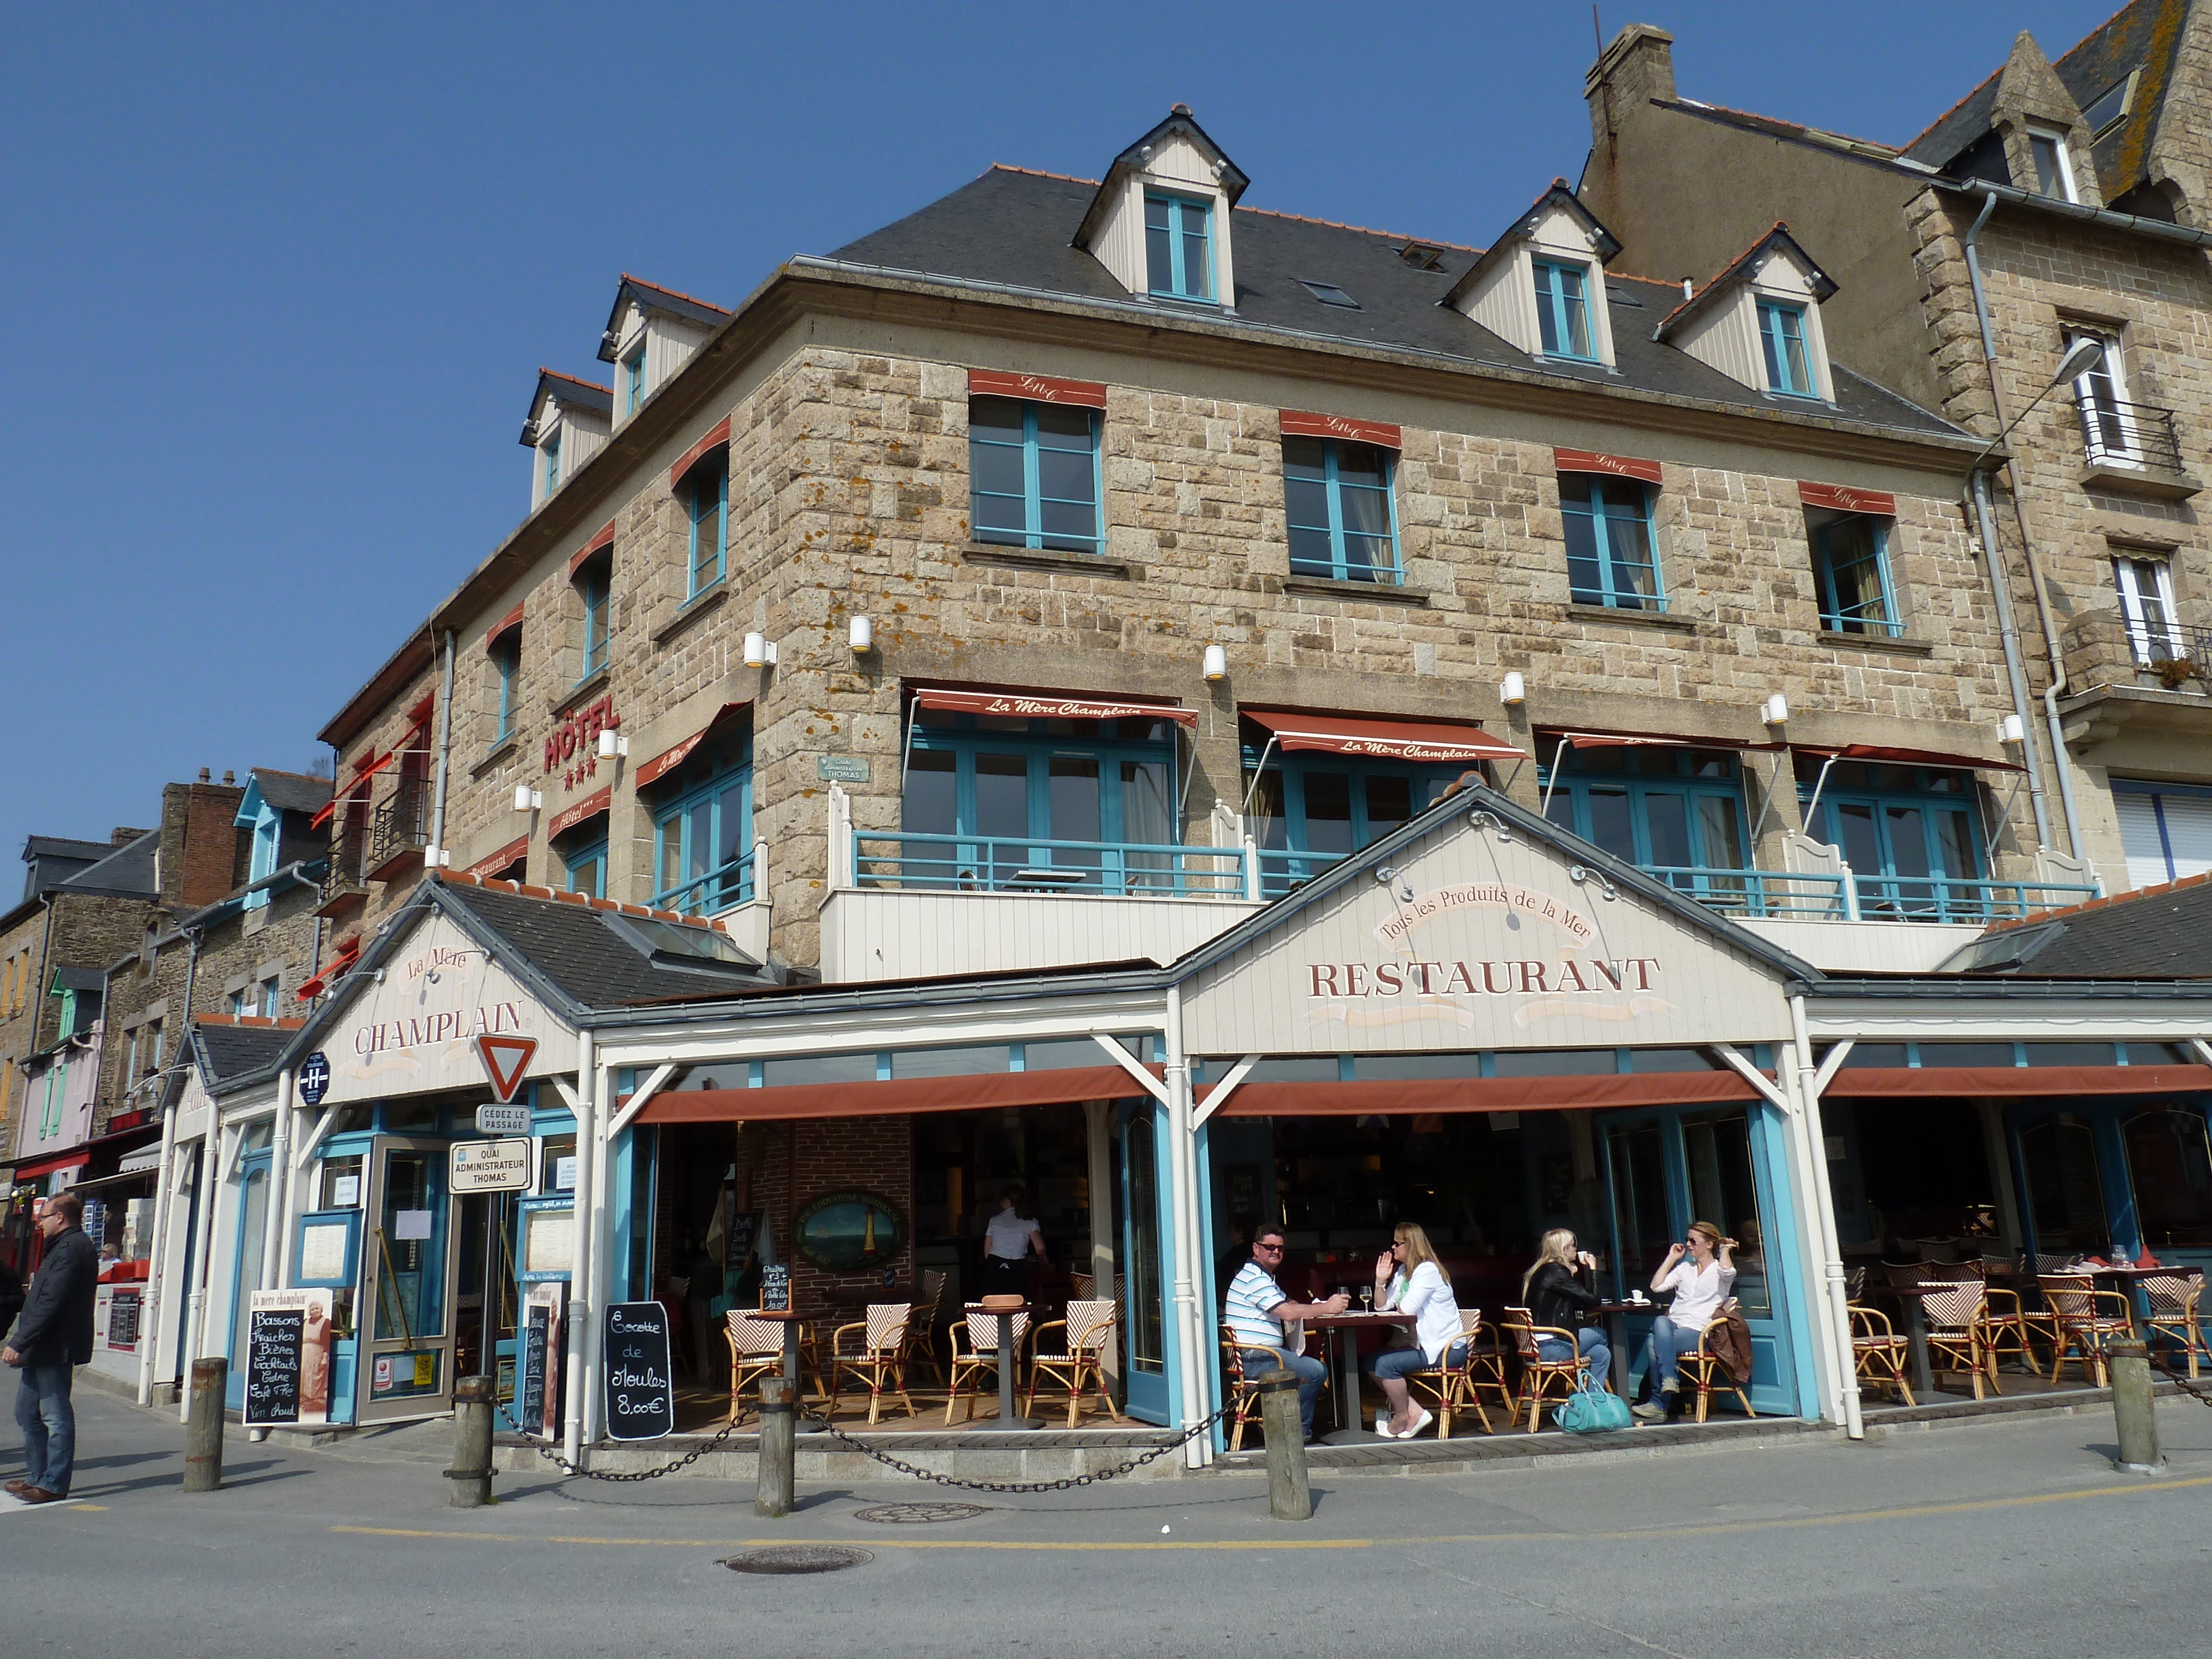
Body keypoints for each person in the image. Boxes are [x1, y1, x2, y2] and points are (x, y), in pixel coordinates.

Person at [4, 1193, 98, 1504]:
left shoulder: (72, 1249)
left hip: (56, 1345)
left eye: (44, 1217)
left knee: (56, 1416)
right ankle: (38, 1476)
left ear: (60, 1217)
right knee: (26, 1413)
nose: (40, 1224)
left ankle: (54, 1483)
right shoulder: (62, 1247)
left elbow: (51, 1301)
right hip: (44, 1345)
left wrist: (19, 1341)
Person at [1224, 1226, 1347, 1441]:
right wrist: (1327, 1307)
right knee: (1315, 1371)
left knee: (1310, 1368)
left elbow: (1288, 1303)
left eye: (1280, 1248)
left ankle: (1281, 1425)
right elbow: (1288, 1313)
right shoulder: (1254, 1279)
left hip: (1260, 1356)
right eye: (1270, 1247)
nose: (1276, 1251)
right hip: (1255, 1358)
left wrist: (1312, 1306)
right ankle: (1293, 1431)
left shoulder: (1263, 1277)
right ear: (1256, 1248)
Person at [1363, 1222, 1468, 1439]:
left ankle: (1401, 1417)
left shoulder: (1427, 1270)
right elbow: (1382, 1306)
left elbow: (1406, 1309)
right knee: (1370, 1361)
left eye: (1397, 1243)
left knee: (1385, 1364)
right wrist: (1380, 1282)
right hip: (1418, 1344)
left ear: (1411, 1245)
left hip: (1444, 1349)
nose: (1393, 1248)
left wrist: (1401, 1298)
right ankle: (1415, 1412)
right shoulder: (1404, 1271)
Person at [1633, 1220, 1738, 1421]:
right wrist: (1671, 1258)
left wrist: (1724, 1250)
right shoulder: (1685, 1269)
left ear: (1709, 1244)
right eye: (1687, 1240)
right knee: (1660, 1322)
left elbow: (1728, 1271)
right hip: (1673, 1326)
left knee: (1653, 1342)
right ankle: (1669, 1379)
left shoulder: (1719, 1271)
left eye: (1693, 1241)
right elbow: (1656, 1286)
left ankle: (1659, 1401)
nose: (1689, 1244)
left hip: (1698, 1330)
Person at [1520, 1228, 1613, 1392]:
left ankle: (1592, 1402)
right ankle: (1585, 1396)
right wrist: (1592, 1269)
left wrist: (1572, 1275)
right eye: (1573, 1245)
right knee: (1602, 1334)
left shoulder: (1540, 1271)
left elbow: (1571, 1297)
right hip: (1551, 1347)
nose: (1576, 1250)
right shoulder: (1557, 1272)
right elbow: (1592, 1299)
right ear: (1564, 1249)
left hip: (1534, 1348)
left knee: (1601, 1353)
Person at [981, 1186, 1044, 1298]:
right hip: (1016, 1267)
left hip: (994, 1266)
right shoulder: (1030, 1222)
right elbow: (1040, 1248)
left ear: (1006, 1200)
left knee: (993, 1301)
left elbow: (987, 1252)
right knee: (1019, 1301)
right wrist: (1042, 1259)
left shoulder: (994, 1220)